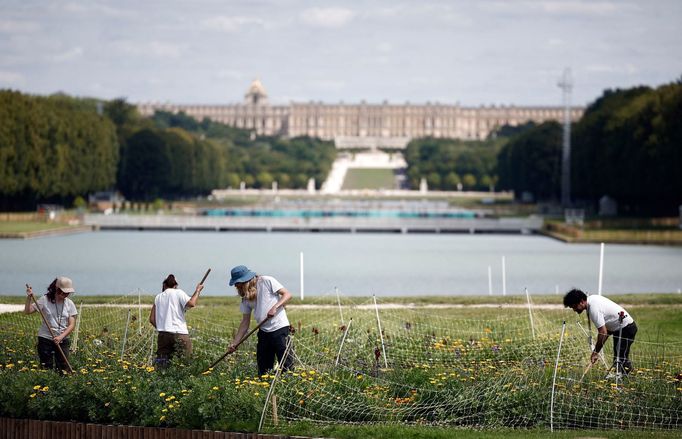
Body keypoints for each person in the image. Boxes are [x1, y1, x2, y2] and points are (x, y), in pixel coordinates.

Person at [227, 265, 293, 376]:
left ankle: (288, 386)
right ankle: (265, 386)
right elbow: (245, 323)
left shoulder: (266, 281)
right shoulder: (245, 297)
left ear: (246, 280)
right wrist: (235, 342)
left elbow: (287, 294)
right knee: (264, 368)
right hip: (263, 331)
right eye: (236, 285)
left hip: (280, 328)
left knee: (286, 364)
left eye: (239, 284)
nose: (237, 287)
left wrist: (275, 307)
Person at [563, 288, 637, 376]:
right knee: (619, 358)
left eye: (574, 306)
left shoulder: (593, 309)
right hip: (620, 328)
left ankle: (626, 380)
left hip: (626, 328)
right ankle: (624, 378)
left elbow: (603, 332)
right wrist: (596, 351)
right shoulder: (592, 299)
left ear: (582, 301)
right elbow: (606, 331)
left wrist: (595, 352)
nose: (574, 310)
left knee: (620, 359)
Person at [24, 277, 78, 371]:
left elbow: (71, 325)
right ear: (56, 289)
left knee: (64, 368)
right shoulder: (44, 300)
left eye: (68, 293)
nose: (66, 295)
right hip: (45, 339)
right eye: (64, 292)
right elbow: (28, 311)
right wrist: (29, 297)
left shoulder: (70, 304)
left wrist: (61, 337)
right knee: (46, 367)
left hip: (63, 339)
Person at [149, 274, 203, 366]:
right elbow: (191, 303)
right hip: (180, 334)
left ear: (164, 285)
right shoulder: (178, 293)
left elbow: (152, 319)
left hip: (163, 335)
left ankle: (160, 379)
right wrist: (198, 291)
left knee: (162, 364)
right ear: (175, 285)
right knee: (185, 362)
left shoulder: (158, 297)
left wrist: (162, 328)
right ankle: (183, 379)